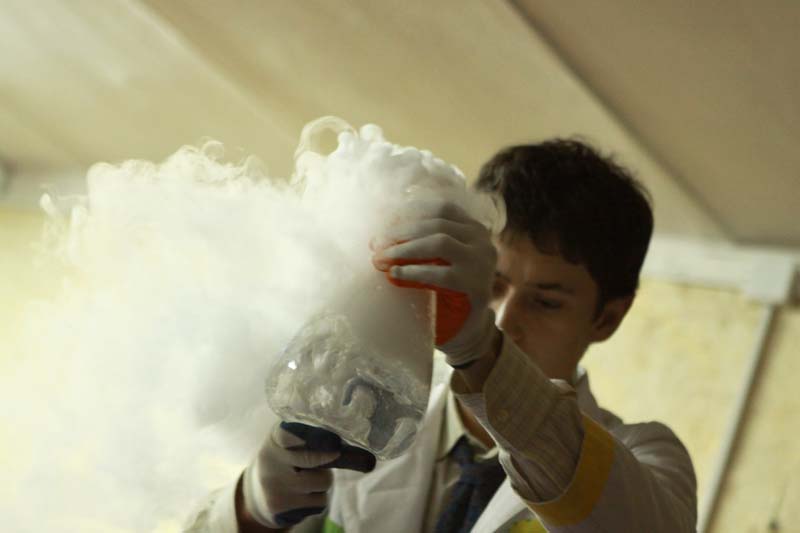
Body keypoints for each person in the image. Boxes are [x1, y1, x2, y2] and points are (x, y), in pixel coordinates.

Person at [186, 139, 697, 532]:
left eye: (546, 302)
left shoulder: (648, 458)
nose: (504, 320)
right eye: (491, 284)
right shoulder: (358, 421)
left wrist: (483, 352)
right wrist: (249, 508)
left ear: (607, 319)